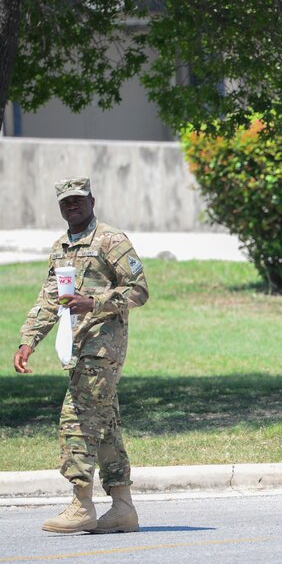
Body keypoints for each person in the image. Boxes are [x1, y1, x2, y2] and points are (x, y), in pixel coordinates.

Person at [13, 177, 149, 533]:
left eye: (78, 200)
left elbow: (139, 289)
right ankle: (122, 507)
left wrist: (95, 302)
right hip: (74, 346)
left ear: (92, 200)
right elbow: (49, 298)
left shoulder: (110, 239)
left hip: (104, 347)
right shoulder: (61, 247)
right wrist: (28, 341)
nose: (72, 206)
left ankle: (81, 503)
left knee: (77, 418)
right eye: (65, 202)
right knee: (105, 426)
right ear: (60, 208)